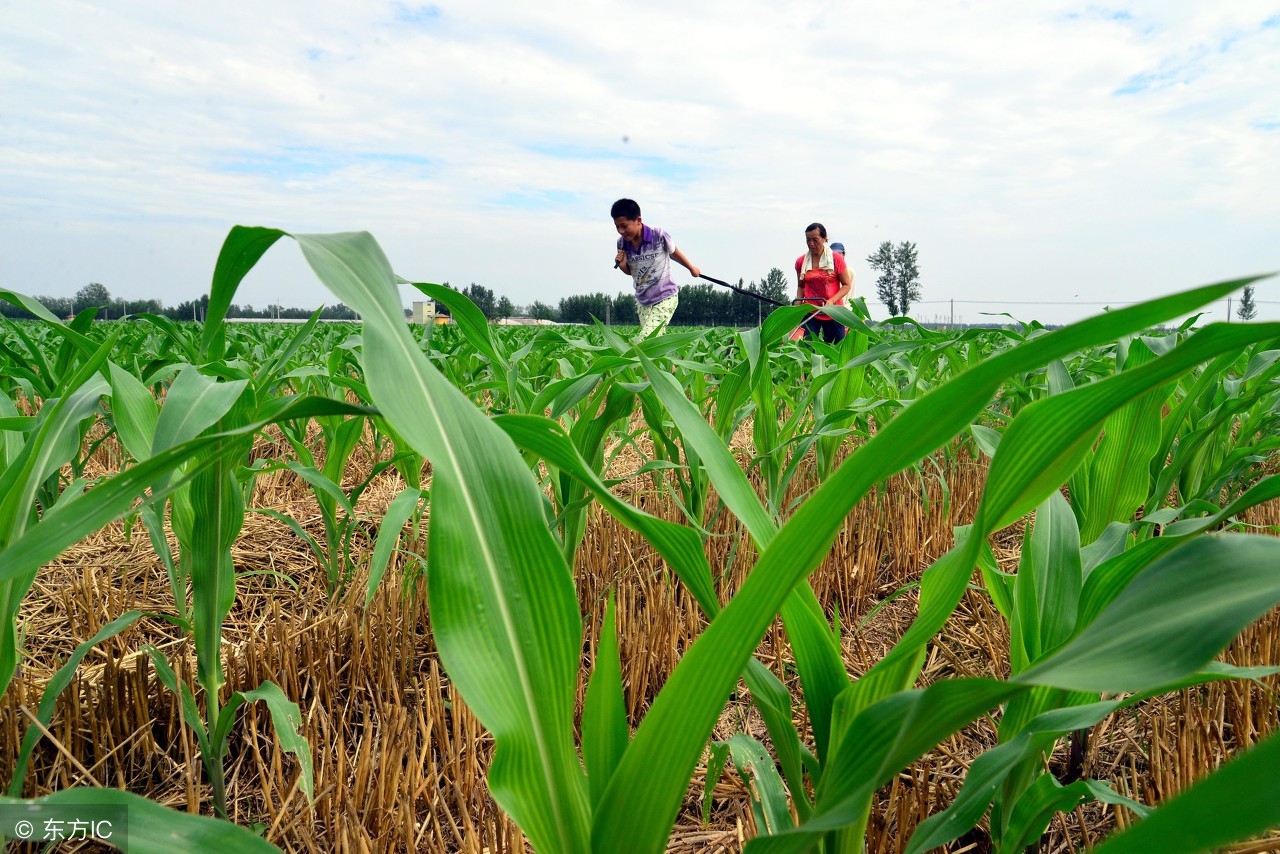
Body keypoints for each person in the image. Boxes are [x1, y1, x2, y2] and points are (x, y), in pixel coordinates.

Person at [612, 198, 701, 340]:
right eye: (617, 227)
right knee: (655, 343)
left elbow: (674, 253)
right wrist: (622, 265)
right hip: (643, 300)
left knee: (645, 341)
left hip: (665, 296)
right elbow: (631, 272)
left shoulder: (658, 235)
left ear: (638, 220)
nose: (621, 231)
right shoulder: (622, 243)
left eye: (624, 226)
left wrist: (691, 268)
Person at [794, 223, 853, 344]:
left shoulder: (836, 259)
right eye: (808, 240)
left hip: (834, 312)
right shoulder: (801, 262)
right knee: (807, 347)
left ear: (824, 239)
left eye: (815, 240)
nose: (811, 243)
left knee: (836, 348)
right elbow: (801, 286)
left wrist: (831, 301)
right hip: (810, 312)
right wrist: (797, 305)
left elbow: (846, 285)